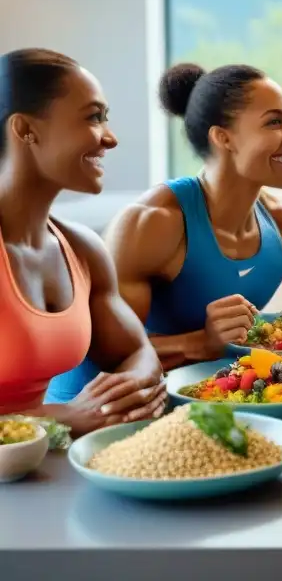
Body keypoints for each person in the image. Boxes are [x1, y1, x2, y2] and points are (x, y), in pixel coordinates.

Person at [46, 62, 282, 402]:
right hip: (93, 410)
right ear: (223, 137)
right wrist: (201, 343)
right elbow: (104, 350)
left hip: (194, 404)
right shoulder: (153, 223)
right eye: (275, 122)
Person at [0, 49, 165, 435]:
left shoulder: (81, 248)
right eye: (93, 117)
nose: (110, 138)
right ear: (26, 130)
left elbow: (136, 352)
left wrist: (126, 391)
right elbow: (72, 417)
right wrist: (65, 417)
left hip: (42, 472)